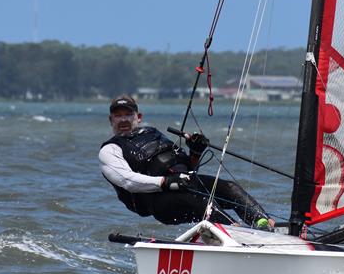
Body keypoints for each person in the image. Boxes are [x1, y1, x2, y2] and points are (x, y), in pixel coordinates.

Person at [99, 94, 274, 229]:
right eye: (117, 115)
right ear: (110, 120)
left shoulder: (152, 133)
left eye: (128, 114)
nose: (123, 120)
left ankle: (264, 223)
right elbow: (127, 181)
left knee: (230, 188)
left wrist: (195, 151)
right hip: (159, 203)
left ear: (138, 116)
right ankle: (232, 230)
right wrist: (165, 182)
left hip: (185, 187)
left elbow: (187, 169)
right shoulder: (110, 150)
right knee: (199, 197)